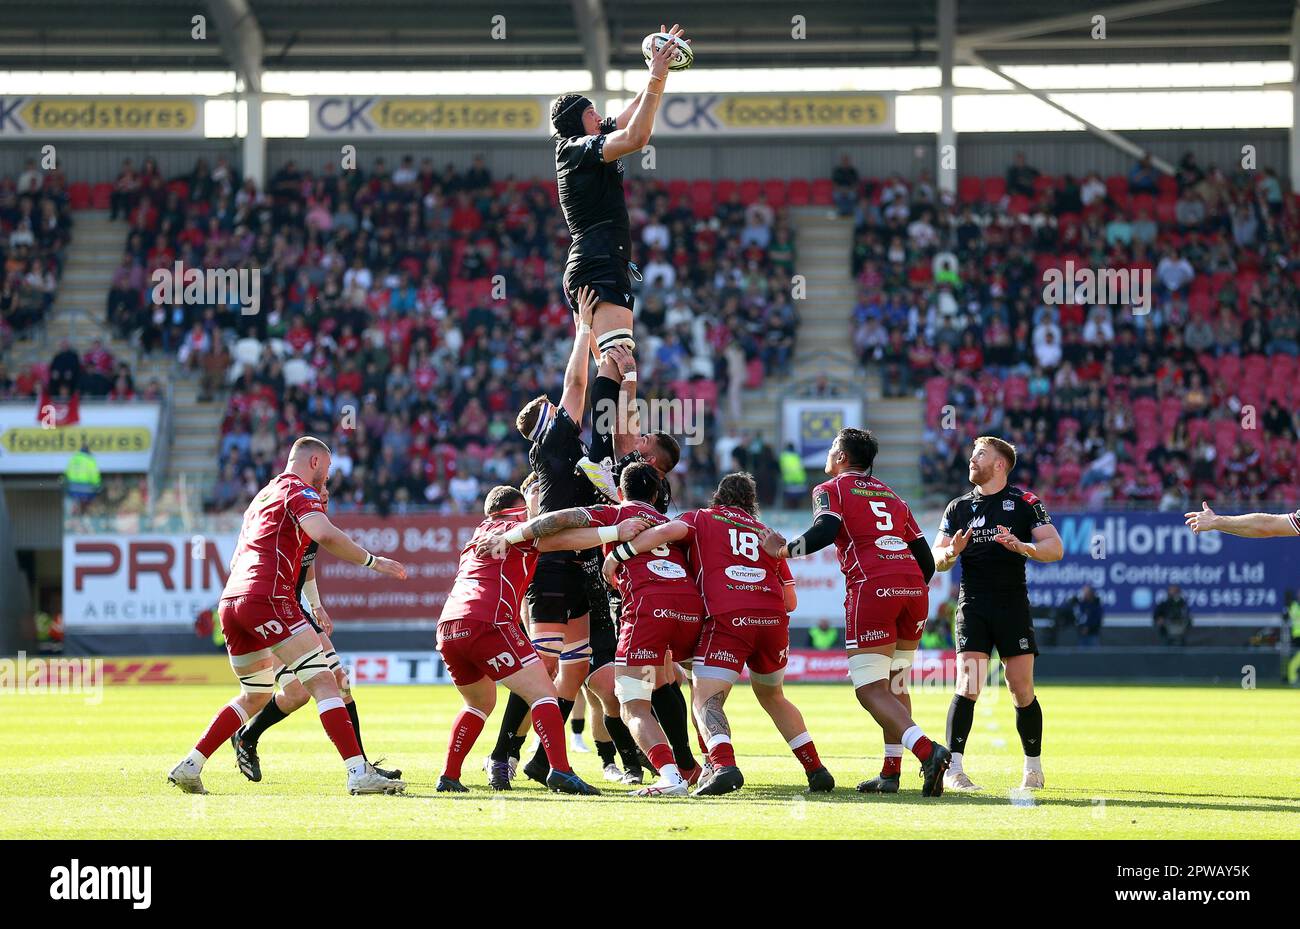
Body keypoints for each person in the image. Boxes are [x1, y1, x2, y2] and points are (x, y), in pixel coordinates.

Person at [167, 436, 409, 796]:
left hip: (232, 601)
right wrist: (375, 561)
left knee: (255, 694)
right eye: (324, 472)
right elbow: (324, 534)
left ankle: (190, 764)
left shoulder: (262, 497)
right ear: (313, 462)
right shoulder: (299, 491)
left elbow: (237, 560)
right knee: (326, 682)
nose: (324, 482)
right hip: (269, 598)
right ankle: (358, 772)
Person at [484, 289, 643, 789]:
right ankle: (503, 755)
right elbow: (577, 383)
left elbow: (610, 416)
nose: (565, 407)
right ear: (546, 424)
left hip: (582, 565)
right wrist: (582, 329)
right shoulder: (551, 443)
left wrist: (621, 371)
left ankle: (542, 763)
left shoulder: (576, 445)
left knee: (572, 673)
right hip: (554, 561)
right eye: (556, 409)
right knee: (547, 665)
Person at [610, 472, 834, 797]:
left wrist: (618, 555)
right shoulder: (766, 533)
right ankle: (816, 769)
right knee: (774, 697)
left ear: (718, 497)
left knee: (704, 697)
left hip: (729, 620)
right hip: (773, 622)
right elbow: (791, 601)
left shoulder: (702, 518)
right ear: (751, 503)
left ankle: (724, 766)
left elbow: (665, 532)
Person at [762, 428, 949, 797]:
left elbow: (826, 529)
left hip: (872, 588)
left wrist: (783, 551)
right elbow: (925, 558)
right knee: (897, 683)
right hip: (913, 589)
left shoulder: (829, 489)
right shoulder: (892, 496)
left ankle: (928, 751)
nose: (829, 454)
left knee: (869, 689)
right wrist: (907, 584)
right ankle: (890, 774)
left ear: (843, 457)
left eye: (832, 448)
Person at [434, 485, 631, 795]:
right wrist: (615, 530)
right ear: (517, 508)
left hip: (448, 625)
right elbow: (563, 538)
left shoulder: (479, 531)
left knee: (479, 703)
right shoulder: (516, 527)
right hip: (489, 621)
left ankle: (449, 775)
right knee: (543, 695)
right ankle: (560, 771)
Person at [228, 486, 401, 783]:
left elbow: (307, 568)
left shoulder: (311, 524)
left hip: (296, 611)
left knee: (340, 681)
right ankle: (246, 736)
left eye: (326, 495)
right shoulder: (285, 521)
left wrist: (316, 605)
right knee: (297, 694)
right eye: (318, 491)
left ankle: (362, 766)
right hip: (272, 610)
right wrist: (374, 562)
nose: (323, 498)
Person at [932, 436, 1064, 792]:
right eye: (973, 453)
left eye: (980, 455)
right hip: (973, 604)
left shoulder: (1025, 502)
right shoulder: (957, 507)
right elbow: (936, 559)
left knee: (1020, 688)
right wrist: (951, 554)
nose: (972, 459)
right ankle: (954, 770)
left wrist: (1023, 546)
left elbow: (1055, 548)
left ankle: (1033, 769)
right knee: (969, 684)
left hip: (1012, 605)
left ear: (1000, 464)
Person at [551, 23, 687, 362]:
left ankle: (605, 418)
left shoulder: (587, 139)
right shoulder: (576, 148)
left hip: (597, 263)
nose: (599, 116)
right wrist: (655, 78)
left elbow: (628, 121)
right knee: (619, 362)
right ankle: (609, 418)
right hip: (597, 263)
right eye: (590, 113)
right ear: (576, 123)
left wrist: (659, 70)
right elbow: (636, 138)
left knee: (613, 367)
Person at [63, 442, 101, 506]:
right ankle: (88, 513)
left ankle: (69, 514)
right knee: (97, 494)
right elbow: (95, 477)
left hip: (73, 488)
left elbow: (67, 473)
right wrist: (98, 486)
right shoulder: (90, 459)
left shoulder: (73, 458)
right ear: (88, 450)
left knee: (68, 497)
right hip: (87, 489)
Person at [779, 442, 807, 509]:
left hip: (788, 478)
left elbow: (781, 467)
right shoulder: (797, 455)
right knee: (799, 494)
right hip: (800, 478)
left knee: (789, 495)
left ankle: (790, 507)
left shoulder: (783, 456)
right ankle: (798, 507)